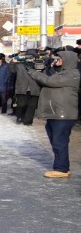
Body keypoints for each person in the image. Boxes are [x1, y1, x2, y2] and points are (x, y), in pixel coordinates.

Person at [32, 48, 80, 178]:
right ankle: (62, 166)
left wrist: (33, 72)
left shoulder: (72, 74)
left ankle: (61, 169)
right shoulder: (61, 73)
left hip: (63, 114)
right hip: (55, 112)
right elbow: (47, 80)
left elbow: (50, 82)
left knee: (59, 141)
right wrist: (46, 68)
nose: (57, 60)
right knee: (56, 140)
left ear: (68, 61)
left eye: (60, 59)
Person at [12, 52, 40, 125]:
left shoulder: (39, 66)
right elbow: (11, 70)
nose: (30, 59)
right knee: (21, 105)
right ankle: (19, 116)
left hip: (34, 89)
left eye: (32, 57)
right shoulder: (19, 65)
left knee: (32, 106)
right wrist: (13, 62)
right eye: (29, 57)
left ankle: (28, 121)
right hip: (22, 88)